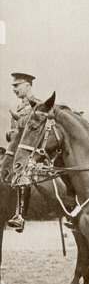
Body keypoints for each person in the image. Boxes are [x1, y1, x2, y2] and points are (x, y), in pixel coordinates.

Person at [7, 73, 41, 233]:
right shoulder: (19, 108)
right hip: (19, 149)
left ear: (27, 86)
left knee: (24, 173)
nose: (14, 89)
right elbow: (15, 133)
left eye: (17, 85)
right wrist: (11, 134)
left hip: (35, 151)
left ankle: (20, 216)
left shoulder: (39, 105)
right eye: (13, 86)